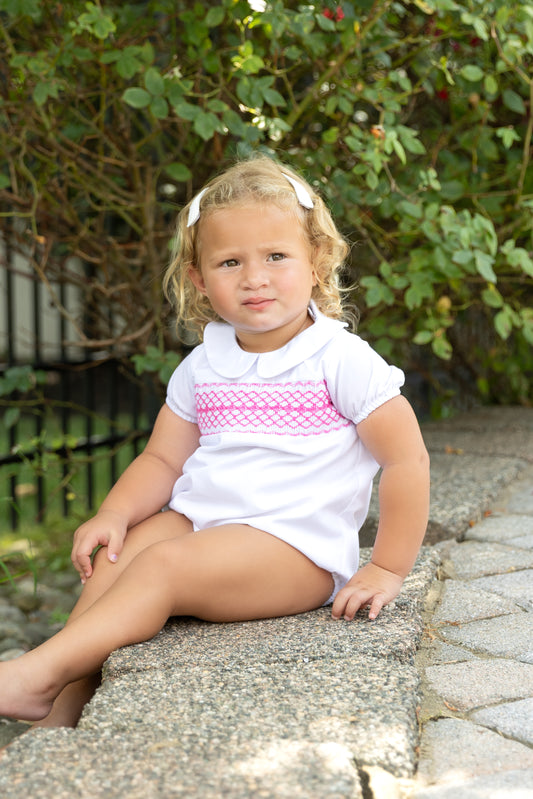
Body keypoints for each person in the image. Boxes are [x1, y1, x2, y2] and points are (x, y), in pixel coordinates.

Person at [0, 155, 430, 728]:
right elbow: (162, 458)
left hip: (292, 548)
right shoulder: (205, 364)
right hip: (204, 524)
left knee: (162, 569)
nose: (255, 277)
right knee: (116, 557)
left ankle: (35, 672)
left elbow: (406, 459)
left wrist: (386, 569)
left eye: (276, 256)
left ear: (317, 261)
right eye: (230, 262)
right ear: (200, 279)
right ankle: (57, 719)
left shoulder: (339, 359)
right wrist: (114, 513)